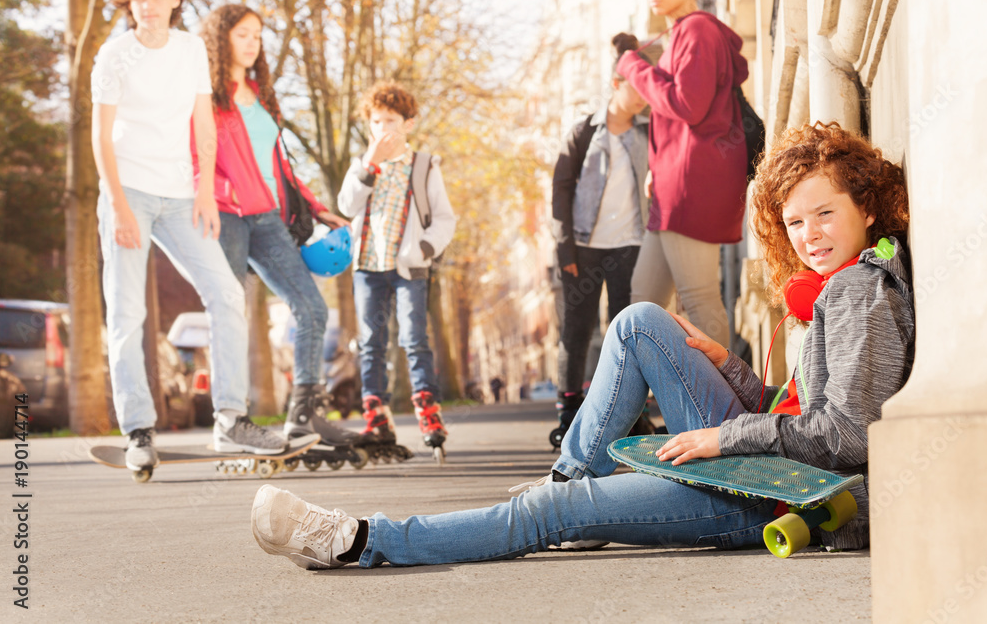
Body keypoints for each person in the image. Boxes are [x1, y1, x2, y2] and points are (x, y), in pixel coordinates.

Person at [249, 122, 914, 568]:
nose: (810, 235)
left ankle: (358, 540)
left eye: (826, 213)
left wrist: (723, 437)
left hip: (776, 495)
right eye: (795, 221)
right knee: (640, 321)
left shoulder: (858, 291)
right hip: (767, 466)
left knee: (547, 511)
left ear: (868, 204)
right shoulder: (843, 284)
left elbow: (848, 436)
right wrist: (732, 369)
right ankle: (573, 477)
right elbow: (805, 410)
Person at [91, 0, 287, 471]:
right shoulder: (114, 56)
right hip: (127, 193)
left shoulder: (190, 49)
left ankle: (230, 420)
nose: (148, 6)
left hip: (182, 198)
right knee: (127, 312)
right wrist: (117, 205)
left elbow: (204, 123)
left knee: (225, 293)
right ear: (129, 3)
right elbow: (100, 137)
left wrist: (204, 191)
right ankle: (137, 429)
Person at [195, 4, 361, 456]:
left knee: (311, 309)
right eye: (243, 34)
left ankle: (303, 413)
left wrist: (317, 207)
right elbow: (196, 157)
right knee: (229, 314)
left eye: (257, 35)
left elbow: (280, 166)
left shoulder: (260, 94)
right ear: (221, 38)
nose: (252, 43)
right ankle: (229, 419)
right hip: (225, 212)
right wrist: (211, 195)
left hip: (268, 217)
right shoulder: (205, 92)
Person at [616, 0, 751, 347]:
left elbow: (687, 105)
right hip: (672, 186)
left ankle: (723, 404)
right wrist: (656, 167)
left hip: (691, 187)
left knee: (698, 298)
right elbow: (679, 117)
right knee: (643, 301)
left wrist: (635, 68)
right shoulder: (679, 35)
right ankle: (633, 403)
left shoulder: (698, 32)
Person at [336, 82, 457, 455]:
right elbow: (346, 206)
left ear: (408, 123)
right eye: (376, 121)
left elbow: (444, 218)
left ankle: (428, 411)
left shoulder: (423, 166)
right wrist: (370, 163)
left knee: (414, 339)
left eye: (390, 120)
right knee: (371, 343)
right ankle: (377, 415)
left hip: (409, 268)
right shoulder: (362, 165)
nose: (383, 128)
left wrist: (423, 248)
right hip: (368, 266)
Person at [550, 32, 651, 445]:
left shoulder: (648, 132)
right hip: (585, 249)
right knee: (575, 331)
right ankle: (569, 413)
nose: (644, 95)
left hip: (633, 247)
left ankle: (634, 415)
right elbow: (560, 191)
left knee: (628, 330)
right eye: (636, 86)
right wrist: (564, 248)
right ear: (616, 85)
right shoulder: (582, 133)